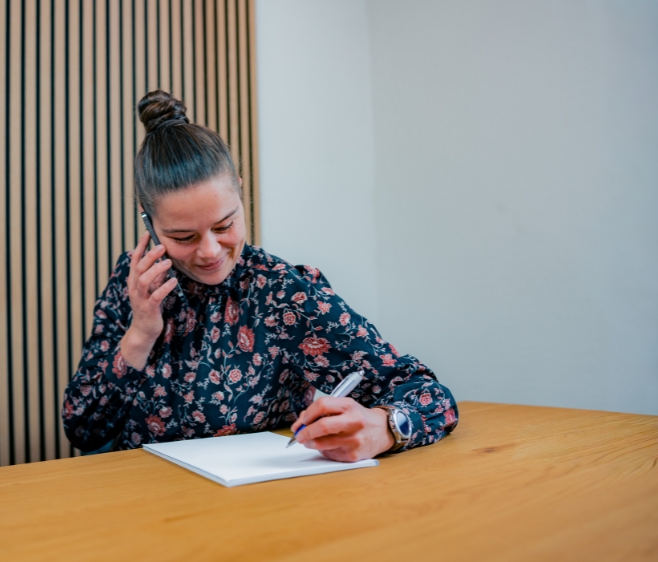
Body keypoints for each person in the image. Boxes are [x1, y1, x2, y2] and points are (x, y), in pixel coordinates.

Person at [63, 90, 458, 461]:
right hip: (140, 501)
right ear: (148, 221)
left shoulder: (282, 292)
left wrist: (387, 427)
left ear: (239, 191)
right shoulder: (136, 282)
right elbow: (83, 430)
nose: (210, 252)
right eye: (183, 236)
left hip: (254, 511)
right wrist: (140, 334)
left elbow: (430, 395)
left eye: (224, 226)